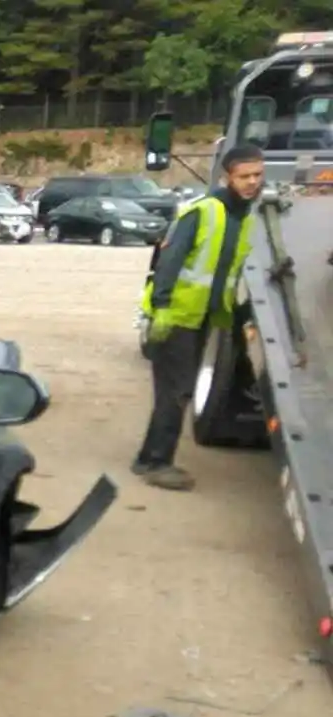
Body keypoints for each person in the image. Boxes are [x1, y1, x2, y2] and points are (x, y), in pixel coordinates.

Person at [132, 144, 265, 491]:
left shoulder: (245, 217)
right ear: (227, 177)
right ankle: (158, 463)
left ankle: (148, 458)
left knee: (173, 392)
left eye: (257, 175)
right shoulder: (203, 211)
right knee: (176, 392)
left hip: (204, 316)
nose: (252, 182)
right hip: (176, 316)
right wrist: (160, 308)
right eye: (244, 176)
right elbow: (169, 262)